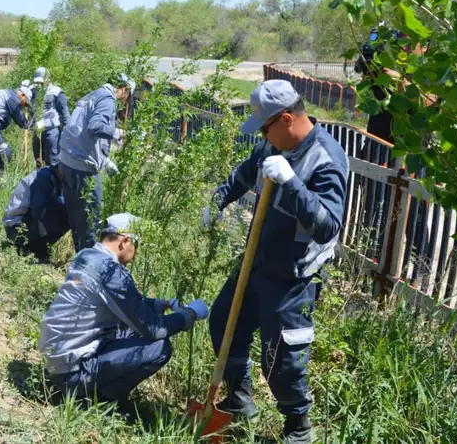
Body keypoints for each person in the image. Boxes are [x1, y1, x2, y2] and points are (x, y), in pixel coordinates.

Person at [203, 80, 348, 444]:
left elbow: (328, 226)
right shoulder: (272, 143)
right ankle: (239, 399)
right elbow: (243, 174)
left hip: (293, 273)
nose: (263, 138)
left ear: (286, 118)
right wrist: (216, 201)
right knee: (224, 322)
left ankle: (298, 430)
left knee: (281, 356)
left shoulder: (325, 158)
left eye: (266, 128)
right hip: (258, 258)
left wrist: (292, 182)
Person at [38, 213, 209, 407]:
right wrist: (189, 315)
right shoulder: (110, 272)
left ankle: (89, 391)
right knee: (160, 348)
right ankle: (101, 400)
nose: (135, 253)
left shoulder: (86, 256)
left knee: (128, 328)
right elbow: (153, 328)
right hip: (73, 374)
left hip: (57, 364)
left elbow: (122, 305)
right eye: (136, 245)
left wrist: (160, 304)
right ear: (125, 241)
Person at [57, 73, 133, 252]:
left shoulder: (93, 94)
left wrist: (104, 160)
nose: (125, 100)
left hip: (67, 161)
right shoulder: (107, 99)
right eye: (128, 96)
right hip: (81, 168)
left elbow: (82, 131)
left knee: (76, 218)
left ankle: (79, 259)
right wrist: (120, 134)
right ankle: (88, 265)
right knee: (91, 220)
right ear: (124, 89)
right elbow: (95, 127)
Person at [2, 165, 70, 261]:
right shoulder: (44, 177)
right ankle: (33, 249)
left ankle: (38, 247)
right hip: (15, 228)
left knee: (68, 212)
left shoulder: (58, 178)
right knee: (64, 211)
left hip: (25, 222)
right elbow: (38, 211)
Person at [30, 67, 71, 168]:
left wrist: (68, 130)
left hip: (52, 130)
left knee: (52, 158)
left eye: (42, 82)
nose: (39, 85)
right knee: (38, 159)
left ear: (48, 80)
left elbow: (64, 112)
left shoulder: (56, 92)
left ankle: (54, 181)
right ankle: (40, 179)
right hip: (37, 130)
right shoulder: (32, 90)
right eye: (37, 82)